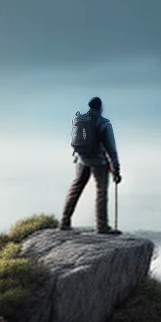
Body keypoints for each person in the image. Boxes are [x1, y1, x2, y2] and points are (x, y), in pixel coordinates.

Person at [60, 96, 122, 234]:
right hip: (98, 162)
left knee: (75, 189)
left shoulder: (79, 119)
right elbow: (111, 149)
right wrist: (116, 169)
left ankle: (64, 222)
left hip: (81, 160)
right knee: (101, 193)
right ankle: (102, 226)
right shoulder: (104, 123)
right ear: (100, 108)